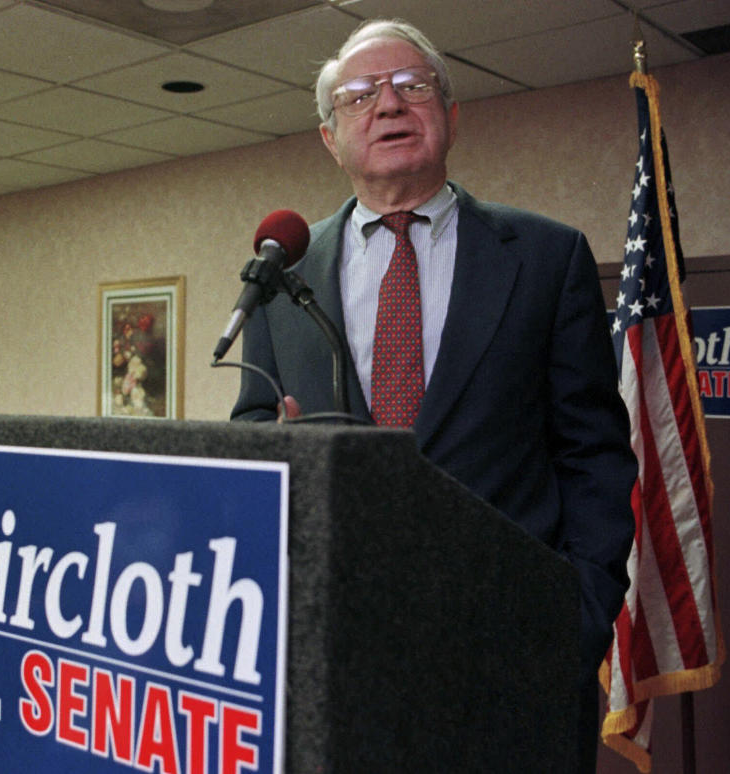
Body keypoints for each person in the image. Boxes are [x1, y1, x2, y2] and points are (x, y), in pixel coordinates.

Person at [230, 18, 637, 772]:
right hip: (336, 658)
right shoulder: (281, 271)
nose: (387, 105)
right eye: (358, 96)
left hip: (514, 659)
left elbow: (595, 458)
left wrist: (582, 618)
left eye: (412, 87)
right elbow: (255, 425)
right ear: (330, 136)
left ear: (450, 116)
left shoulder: (547, 258)